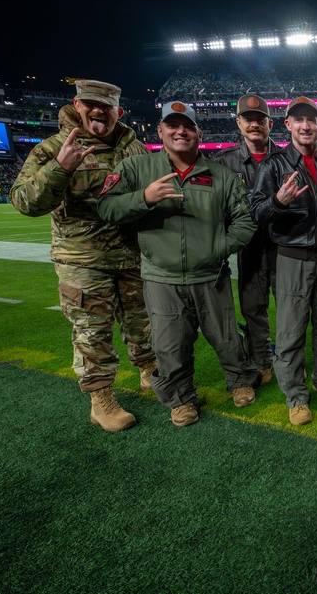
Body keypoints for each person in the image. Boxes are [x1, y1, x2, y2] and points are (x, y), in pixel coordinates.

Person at [96, 102, 260, 427]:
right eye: (172, 125)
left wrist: (220, 248)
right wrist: (143, 198)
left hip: (211, 275)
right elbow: (106, 208)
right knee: (170, 346)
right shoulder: (136, 168)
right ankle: (182, 399)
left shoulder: (222, 176)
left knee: (226, 338)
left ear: (199, 133)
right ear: (160, 131)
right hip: (161, 277)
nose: (180, 131)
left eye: (187, 126)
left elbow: (245, 221)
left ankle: (239, 380)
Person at [10, 79, 157, 432]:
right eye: (89, 103)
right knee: (92, 332)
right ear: (77, 105)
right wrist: (60, 168)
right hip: (83, 261)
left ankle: (151, 372)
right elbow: (24, 202)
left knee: (145, 324)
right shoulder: (53, 148)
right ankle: (101, 399)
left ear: (118, 112)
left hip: (132, 257)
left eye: (105, 106)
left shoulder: (136, 149)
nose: (97, 111)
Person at [250, 96, 317, 426]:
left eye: (311, 119)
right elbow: (256, 213)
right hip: (292, 259)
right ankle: (296, 396)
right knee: (290, 331)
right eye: (298, 120)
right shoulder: (273, 165)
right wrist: (277, 202)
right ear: (288, 125)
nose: (305, 125)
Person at [209, 94, 283, 385]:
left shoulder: (287, 158)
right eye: (248, 119)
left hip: (283, 248)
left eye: (260, 119)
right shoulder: (222, 162)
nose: (255, 125)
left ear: (270, 123)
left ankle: (289, 361)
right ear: (238, 123)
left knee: (290, 311)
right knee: (254, 309)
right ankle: (262, 361)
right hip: (248, 249)